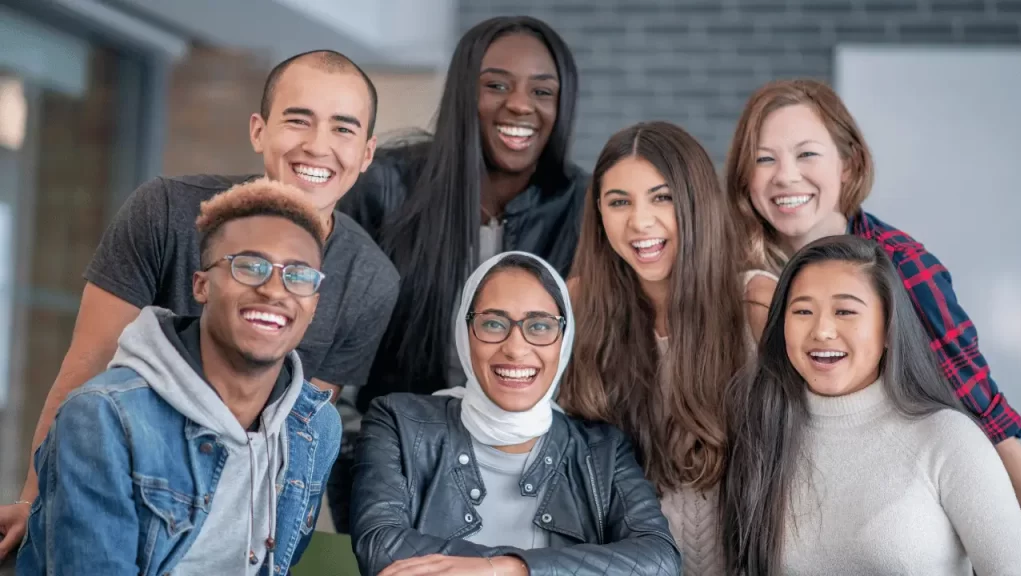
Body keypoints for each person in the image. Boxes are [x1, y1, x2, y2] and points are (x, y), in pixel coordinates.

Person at [0, 49, 399, 559]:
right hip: (120, 480)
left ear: (366, 153)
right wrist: (34, 502)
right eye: (298, 120)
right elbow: (86, 367)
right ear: (258, 131)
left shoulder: (371, 281)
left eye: (343, 129)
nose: (318, 145)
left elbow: (294, 431)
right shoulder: (164, 211)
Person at [331, 14, 588, 532]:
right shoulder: (385, 187)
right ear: (462, 93)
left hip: (529, 470)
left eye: (542, 91)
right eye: (496, 85)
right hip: (393, 459)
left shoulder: (584, 205)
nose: (520, 105)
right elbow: (333, 334)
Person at [724, 77, 1021, 509]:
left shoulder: (902, 265)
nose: (786, 176)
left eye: (807, 154)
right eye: (764, 159)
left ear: (848, 165)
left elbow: (984, 414)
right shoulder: (732, 271)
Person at [16, 180, 343, 574]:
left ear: (313, 305)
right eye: (249, 267)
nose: (275, 291)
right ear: (201, 286)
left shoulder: (314, 426)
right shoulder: (103, 418)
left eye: (299, 275)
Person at [349, 252, 680, 576]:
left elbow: (659, 560)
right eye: (494, 324)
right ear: (465, 331)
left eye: (540, 326)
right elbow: (380, 547)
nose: (516, 348)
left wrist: (511, 568)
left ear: (564, 340)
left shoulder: (603, 449)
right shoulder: (398, 422)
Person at [720, 235, 1021, 575]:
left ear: (889, 329)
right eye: (803, 311)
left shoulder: (948, 438)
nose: (822, 331)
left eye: (845, 311)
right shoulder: (762, 436)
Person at [557, 121, 770, 576]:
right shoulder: (575, 305)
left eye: (662, 197)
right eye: (619, 202)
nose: (640, 221)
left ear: (696, 202)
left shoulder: (755, 304)